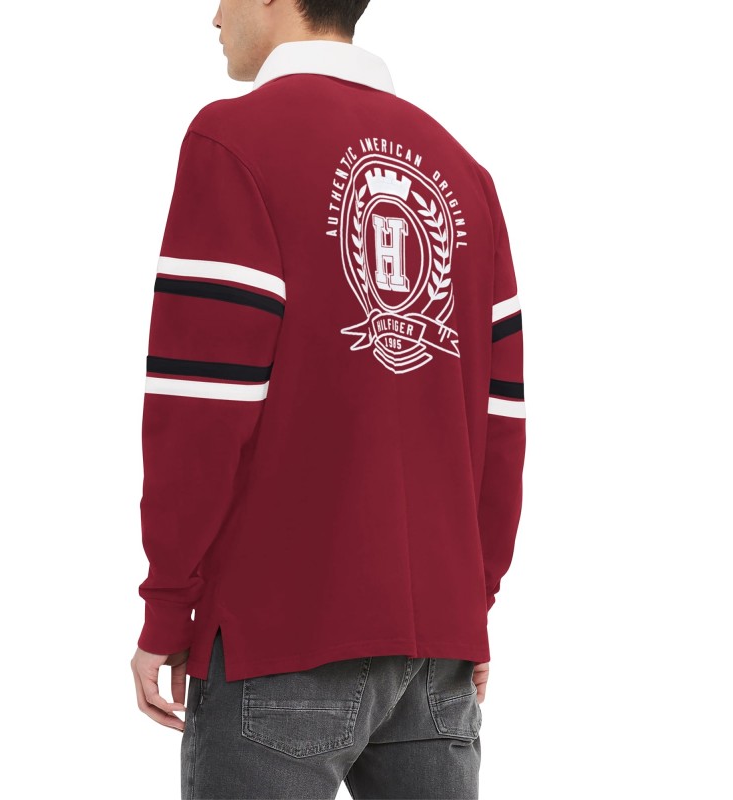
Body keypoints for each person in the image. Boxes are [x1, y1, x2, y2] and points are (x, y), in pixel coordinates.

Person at [130, 1, 526, 797]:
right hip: (437, 654)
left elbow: (201, 408)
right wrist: (470, 607)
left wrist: (167, 607)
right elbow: (500, 421)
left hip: (277, 635)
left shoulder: (233, 141)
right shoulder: (462, 172)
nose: (213, 14)